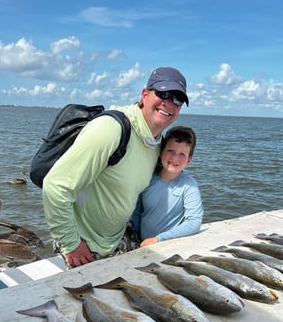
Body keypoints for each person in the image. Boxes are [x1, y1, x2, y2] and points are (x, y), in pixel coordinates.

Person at [42, 66, 189, 268]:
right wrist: (72, 244)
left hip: (117, 238)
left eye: (177, 99)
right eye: (163, 93)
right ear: (145, 94)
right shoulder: (111, 129)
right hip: (84, 243)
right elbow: (55, 186)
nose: (169, 103)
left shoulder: (155, 142)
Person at [131, 126, 203, 247]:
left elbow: (194, 222)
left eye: (182, 154)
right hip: (142, 243)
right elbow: (137, 213)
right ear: (161, 152)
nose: (175, 158)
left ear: (189, 160)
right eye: (170, 151)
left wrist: (159, 239)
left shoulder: (189, 185)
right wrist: (137, 238)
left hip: (169, 245)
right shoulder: (147, 178)